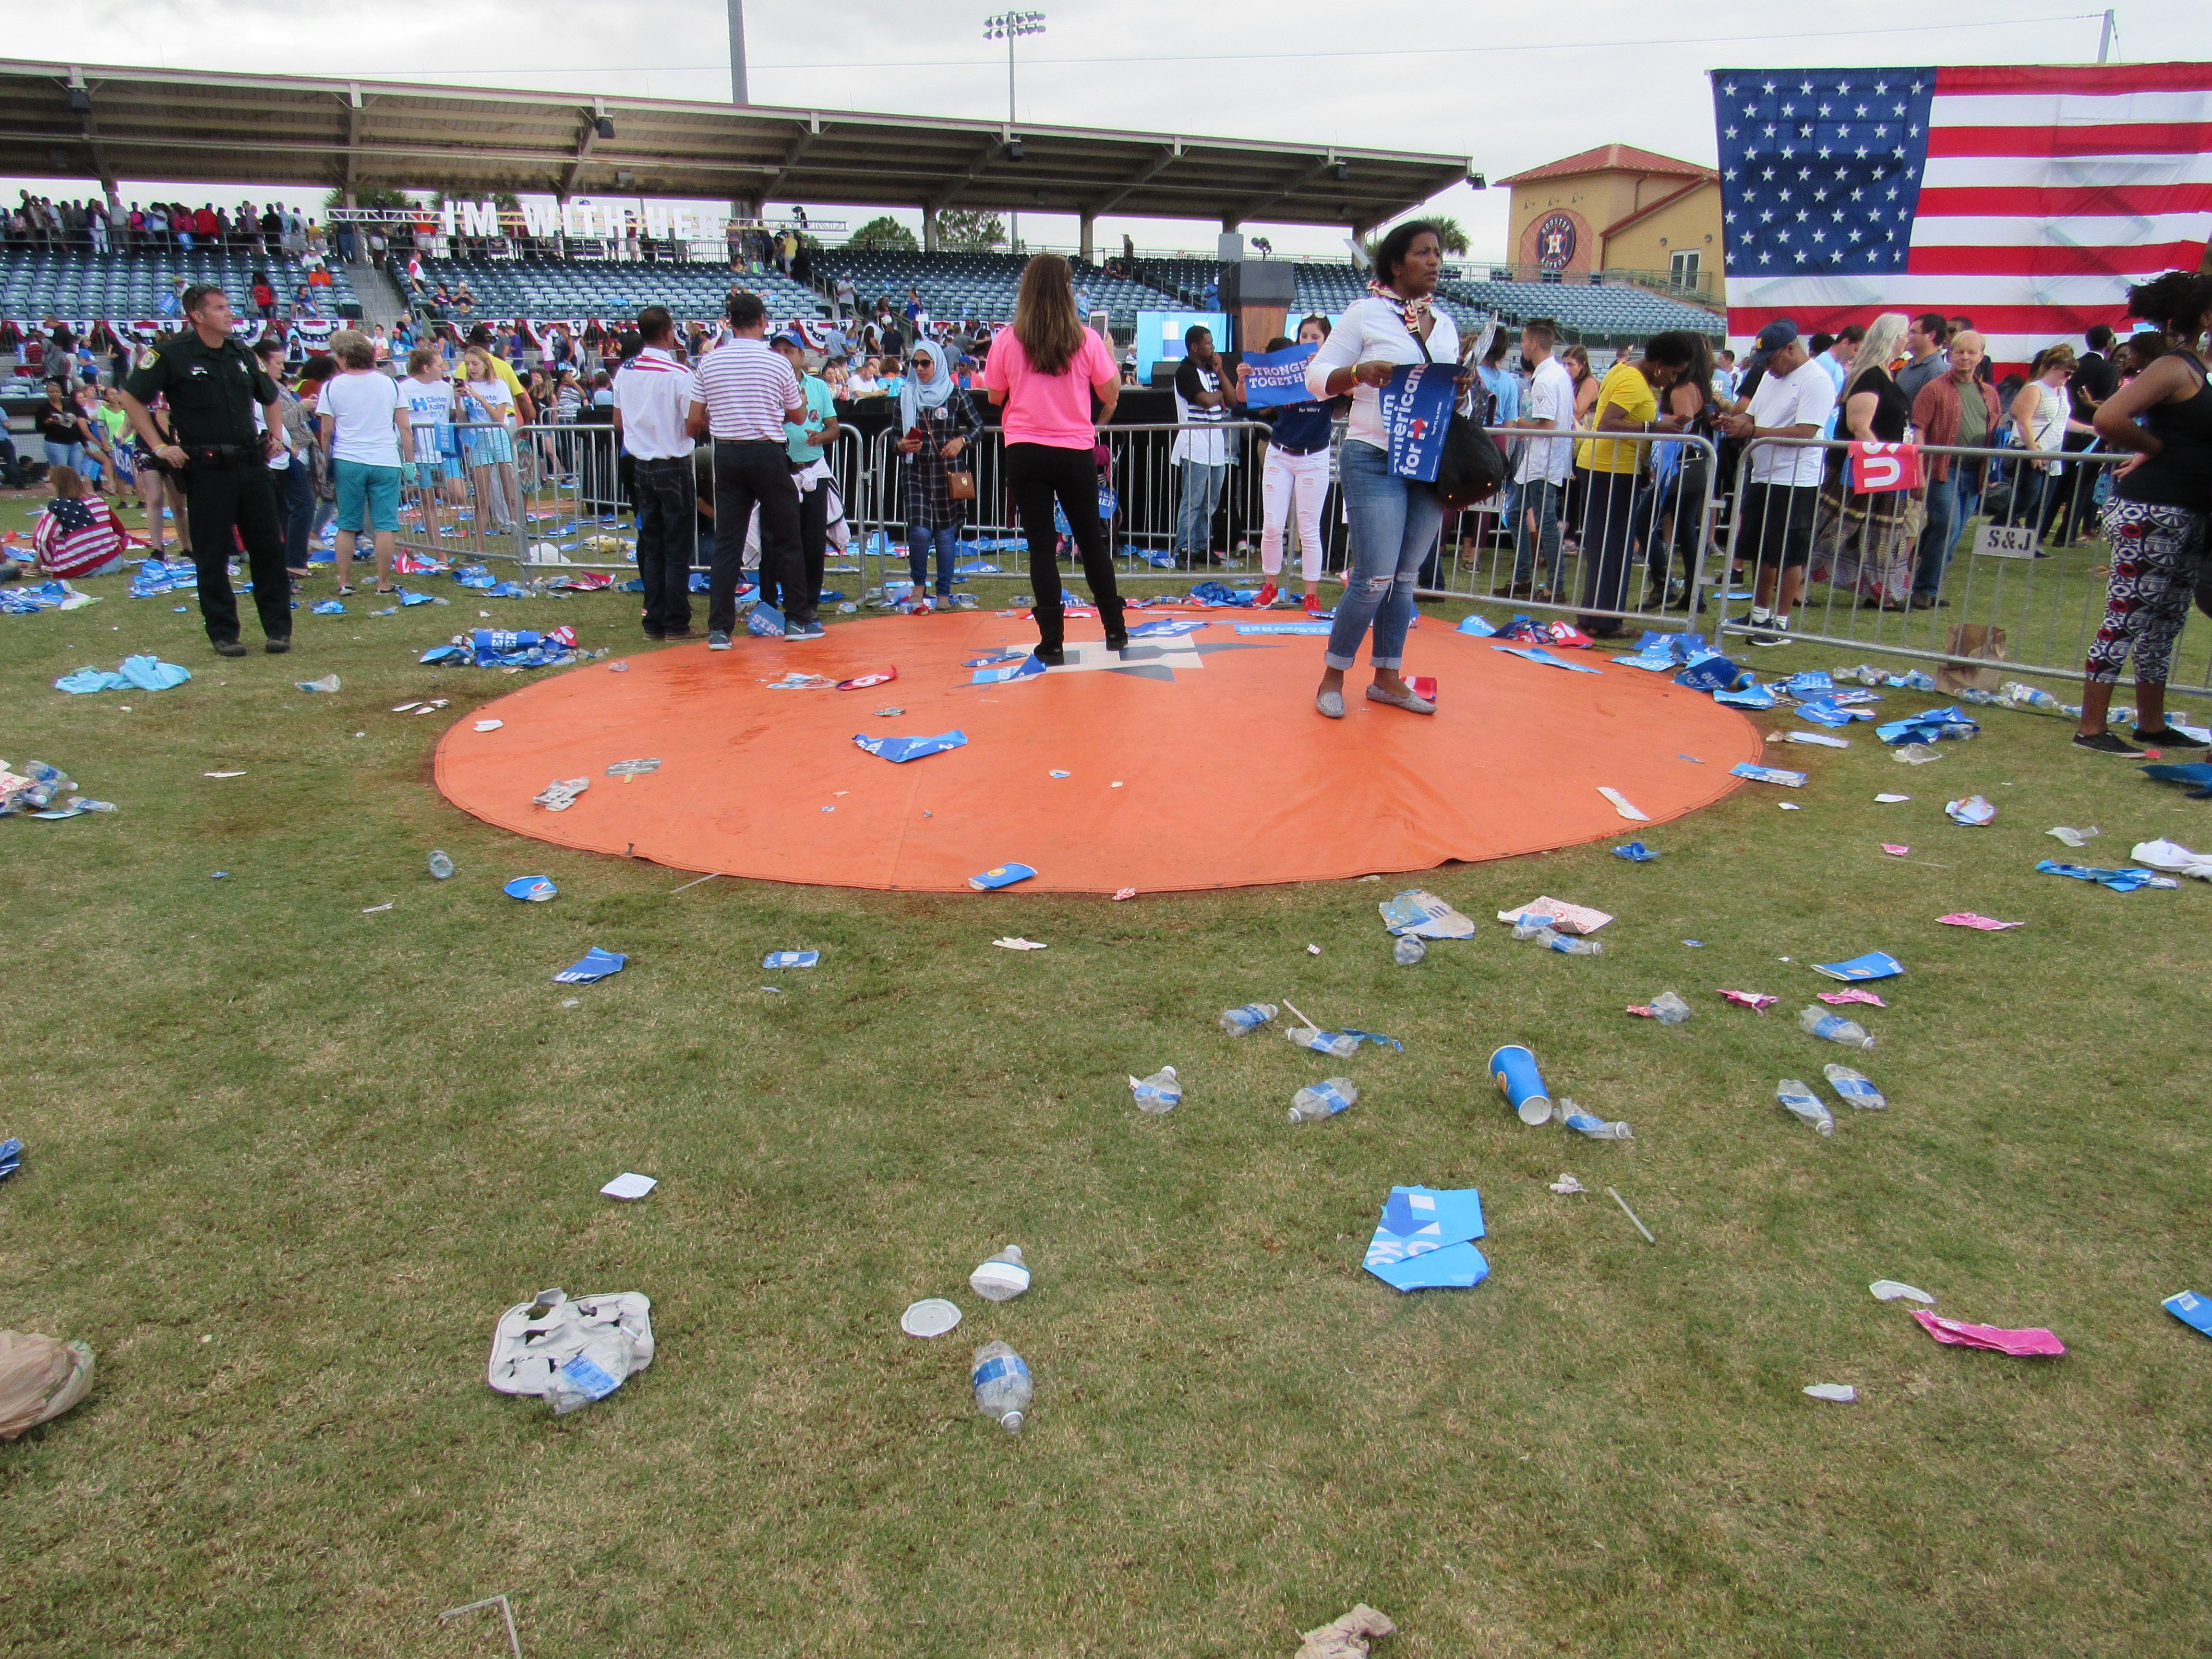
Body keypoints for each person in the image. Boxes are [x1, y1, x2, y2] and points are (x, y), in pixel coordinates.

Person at [1301, 219, 1462, 715]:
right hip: (1373, 455)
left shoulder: (1446, 324)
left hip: (1429, 460)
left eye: (1437, 253)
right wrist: (1356, 374)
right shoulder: (1365, 314)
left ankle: (1388, 677)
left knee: (1406, 575)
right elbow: (1315, 377)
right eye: (1423, 253)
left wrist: (1463, 385)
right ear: (1397, 265)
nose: (1435, 261)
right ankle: (1333, 674)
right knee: (1374, 576)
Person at [2073, 271, 2212, 754]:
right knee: (2127, 615)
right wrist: (2155, 447)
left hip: (2188, 510)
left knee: (2165, 623)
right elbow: (2110, 416)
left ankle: (2151, 723)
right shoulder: (2174, 367)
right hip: (2154, 508)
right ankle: (2091, 727)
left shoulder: (2197, 368)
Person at [119, 284, 293, 656]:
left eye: (229, 306)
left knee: (267, 550)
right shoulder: (170, 355)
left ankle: (278, 630)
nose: (229, 313)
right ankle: (224, 634)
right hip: (208, 470)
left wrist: (276, 436)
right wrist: (160, 445)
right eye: (219, 308)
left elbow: (271, 395)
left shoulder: (241, 353)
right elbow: (132, 397)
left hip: (251, 464)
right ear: (197, 316)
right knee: (213, 555)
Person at [982, 252, 1127, 664]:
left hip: (1025, 450)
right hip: (1074, 449)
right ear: (1067, 291)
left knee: (1041, 547)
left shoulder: (1008, 340)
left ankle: (1052, 641)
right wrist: (1108, 355)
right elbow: (1111, 392)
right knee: (1091, 542)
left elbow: (994, 396)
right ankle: (1115, 629)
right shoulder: (1086, 339)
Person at [688, 289, 814, 647]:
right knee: (787, 536)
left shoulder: (709, 362)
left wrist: (726, 417)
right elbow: (799, 416)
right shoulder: (778, 363)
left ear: (729, 322)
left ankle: (719, 629)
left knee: (729, 542)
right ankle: (797, 620)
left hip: (727, 453)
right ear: (762, 322)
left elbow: (696, 418)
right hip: (767, 452)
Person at [1717, 318, 1837, 645]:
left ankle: (1780, 622)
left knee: (1787, 553)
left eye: (1771, 360)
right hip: (1764, 473)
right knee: (1760, 549)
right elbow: (1753, 417)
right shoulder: (1772, 378)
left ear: (1791, 349)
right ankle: (1759, 614)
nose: (1768, 367)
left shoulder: (1816, 381)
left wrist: (1752, 431)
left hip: (1796, 479)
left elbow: (1805, 432)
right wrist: (1733, 422)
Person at [1572, 332, 1694, 637]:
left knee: (1608, 546)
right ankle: (1604, 622)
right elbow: (1607, 424)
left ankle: (1595, 618)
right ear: (1659, 363)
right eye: (1674, 372)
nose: (1672, 379)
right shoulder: (1633, 381)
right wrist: (1656, 427)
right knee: (1613, 547)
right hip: (1611, 469)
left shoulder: (1624, 371)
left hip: (1607, 468)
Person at [1813, 312, 1917, 608]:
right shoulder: (1870, 375)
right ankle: (1796, 581)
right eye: (1904, 334)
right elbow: (1860, 424)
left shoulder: (1886, 372)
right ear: (1892, 338)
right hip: (1864, 467)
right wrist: (1879, 462)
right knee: (1834, 527)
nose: (1908, 340)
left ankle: (1882, 591)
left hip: (1885, 468)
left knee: (1881, 534)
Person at [613, 304, 701, 641]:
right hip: (673, 464)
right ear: (668, 332)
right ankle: (677, 621)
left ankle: (654, 621)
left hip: (641, 465)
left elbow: (618, 422)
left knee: (652, 544)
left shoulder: (626, 371)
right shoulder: (679, 375)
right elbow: (692, 423)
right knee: (677, 547)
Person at [1243, 314, 1338, 614]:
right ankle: (1270, 586)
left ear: (1326, 341)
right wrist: (1243, 377)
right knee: (1272, 525)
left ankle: (1311, 593)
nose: (1308, 342)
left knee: (1309, 529)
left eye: (1315, 337)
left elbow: (1349, 391)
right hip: (1280, 453)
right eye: (1304, 336)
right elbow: (1248, 399)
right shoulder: (1285, 369)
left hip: (1314, 456)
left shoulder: (1332, 372)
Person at [1907, 330, 2003, 609]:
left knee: (1956, 530)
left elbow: (1995, 433)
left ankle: (1927, 578)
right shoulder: (1934, 389)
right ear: (1950, 354)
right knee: (1946, 526)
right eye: (1960, 351)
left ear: (1981, 357)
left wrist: (1993, 472)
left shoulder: (1990, 394)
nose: (1966, 357)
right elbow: (1919, 430)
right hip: (1943, 470)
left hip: (1976, 473)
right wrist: (1919, 471)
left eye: (1972, 352)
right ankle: (1924, 589)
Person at [321, 329, 410, 596]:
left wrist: (325, 461)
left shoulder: (333, 386)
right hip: (385, 459)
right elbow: (405, 428)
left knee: (347, 523)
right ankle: (384, 583)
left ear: (345, 356)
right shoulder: (391, 384)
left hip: (349, 459)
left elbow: (327, 431)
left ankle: (345, 581)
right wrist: (411, 462)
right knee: (385, 524)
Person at [896, 337, 982, 613]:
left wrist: (962, 442)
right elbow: (895, 436)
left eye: (926, 363)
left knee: (946, 535)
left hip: (947, 475)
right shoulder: (907, 396)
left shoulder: (955, 394)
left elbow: (978, 427)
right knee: (920, 532)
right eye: (915, 364)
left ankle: (944, 590)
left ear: (938, 364)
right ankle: (919, 584)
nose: (920, 369)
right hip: (917, 473)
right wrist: (901, 445)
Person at [770, 327, 842, 619]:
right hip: (779, 471)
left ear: (802, 355)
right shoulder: (767, 385)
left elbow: (834, 429)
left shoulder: (818, 387)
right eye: (778, 350)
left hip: (813, 469)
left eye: (790, 351)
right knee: (780, 540)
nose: (784, 357)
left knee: (813, 541)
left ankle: (809, 602)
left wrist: (820, 437)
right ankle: (776, 598)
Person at [1503, 318, 1574, 601]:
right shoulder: (1556, 374)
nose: (1522, 346)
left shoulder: (1546, 377)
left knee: (1545, 522)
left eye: (1523, 341)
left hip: (1543, 461)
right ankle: (1523, 579)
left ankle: (1555, 585)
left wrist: (1520, 423)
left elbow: (1547, 424)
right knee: (1516, 513)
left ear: (1533, 344)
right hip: (1539, 460)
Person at [2007, 345, 2096, 546]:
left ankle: (2031, 544)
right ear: (2054, 368)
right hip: (2032, 451)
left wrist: (2091, 430)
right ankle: (1999, 526)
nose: (2069, 378)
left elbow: (2063, 421)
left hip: (2053, 453)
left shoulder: (2062, 391)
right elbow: (2022, 420)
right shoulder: (2035, 389)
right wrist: (2033, 451)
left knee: (2043, 503)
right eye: (2067, 373)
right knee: (2028, 499)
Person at [2044, 324, 2120, 546]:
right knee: (2082, 486)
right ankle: (2065, 535)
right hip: (2091, 432)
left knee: (2059, 484)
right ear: (2109, 343)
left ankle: (2041, 530)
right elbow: (2109, 403)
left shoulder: (2076, 366)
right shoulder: (2109, 369)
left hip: (2068, 430)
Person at [1172, 324, 1236, 567]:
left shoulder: (1212, 372)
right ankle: (1184, 548)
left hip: (1216, 446)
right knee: (1193, 501)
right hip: (1195, 444)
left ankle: (1201, 546)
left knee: (1210, 502)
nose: (1213, 348)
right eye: (1208, 343)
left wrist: (1220, 373)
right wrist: (1220, 394)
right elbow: (1207, 401)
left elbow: (1232, 401)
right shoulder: (1184, 372)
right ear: (1195, 347)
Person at [457, 346, 521, 537]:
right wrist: (458, 400)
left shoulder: (499, 385)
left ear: (486, 365)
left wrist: (480, 398)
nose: (471, 368)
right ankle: (480, 547)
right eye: (468, 364)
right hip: (479, 439)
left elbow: (498, 417)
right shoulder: (466, 386)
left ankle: (520, 541)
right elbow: (462, 421)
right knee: (482, 499)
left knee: (510, 493)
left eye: (475, 364)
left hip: (499, 435)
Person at [398, 344, 457, 547]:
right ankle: (439, 548)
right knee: (429, 502)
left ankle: (409, 492)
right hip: (421, 453)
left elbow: (452, 415)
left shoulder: (446, 388)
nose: (444, 368)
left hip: (443, 452)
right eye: (440, 365)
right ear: (426, 368)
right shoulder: (405, 388)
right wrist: (409, 459)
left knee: (457, 494)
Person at [31, 466, 129, 579]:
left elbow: (42, 541)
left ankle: (34, 567)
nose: (46, 486)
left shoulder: (55, 508)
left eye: (47, 481)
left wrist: (49, 562)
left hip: (76, 569)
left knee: (50, 536)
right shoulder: (98, 500)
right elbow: (120, 531)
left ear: (56, 484)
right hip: (113, 563)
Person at [1895, 314, 1949, 409]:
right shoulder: (1909, 365)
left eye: (1913, 332)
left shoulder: (1937, 371)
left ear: (1931, 336)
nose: (1907, 337)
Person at [35, 379, 89, 474]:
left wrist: (84, 443)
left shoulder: (69, 406)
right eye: (51, 392)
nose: (55, 394)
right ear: (47, 393)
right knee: (62, 473)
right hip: (56, 444)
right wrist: (47, 423)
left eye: (57, 392)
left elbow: (78, 425)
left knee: (77, 472)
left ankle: (74, 489)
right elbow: (39, 427)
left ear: (61, 392)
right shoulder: (43, 408)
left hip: (74, 443)